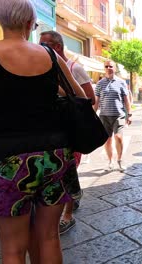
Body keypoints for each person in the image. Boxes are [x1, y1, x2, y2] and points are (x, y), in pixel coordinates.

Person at [0, 0, 86, 263]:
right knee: (50, 237)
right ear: (31, 23)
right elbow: (80, 97)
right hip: (54, 156)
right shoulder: (51, 56)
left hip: (8, 159)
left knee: (13, 248)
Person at [39, 30, 95, 235]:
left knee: (66, 172)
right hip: (49, 131)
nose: (39, 47)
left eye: (44, 44)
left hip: (69, 131)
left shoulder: (74, 68)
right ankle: (70, 199)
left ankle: (68, 215)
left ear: (58, 47)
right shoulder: (41, 67)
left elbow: (90, 100)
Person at [94, 60, 132, 172]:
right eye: (106, 66)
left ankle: (119, 160)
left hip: (118, 115)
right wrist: (92, 115)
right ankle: (110, 161)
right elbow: (96, 101)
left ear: (114, 68)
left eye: (111, 66)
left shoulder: (121, 82)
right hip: (104, 116)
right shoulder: (100, 84)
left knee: (118, 138)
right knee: (107, 140)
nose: (109, 68)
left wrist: (129, 114)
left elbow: (126, 100)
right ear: (104, 68)